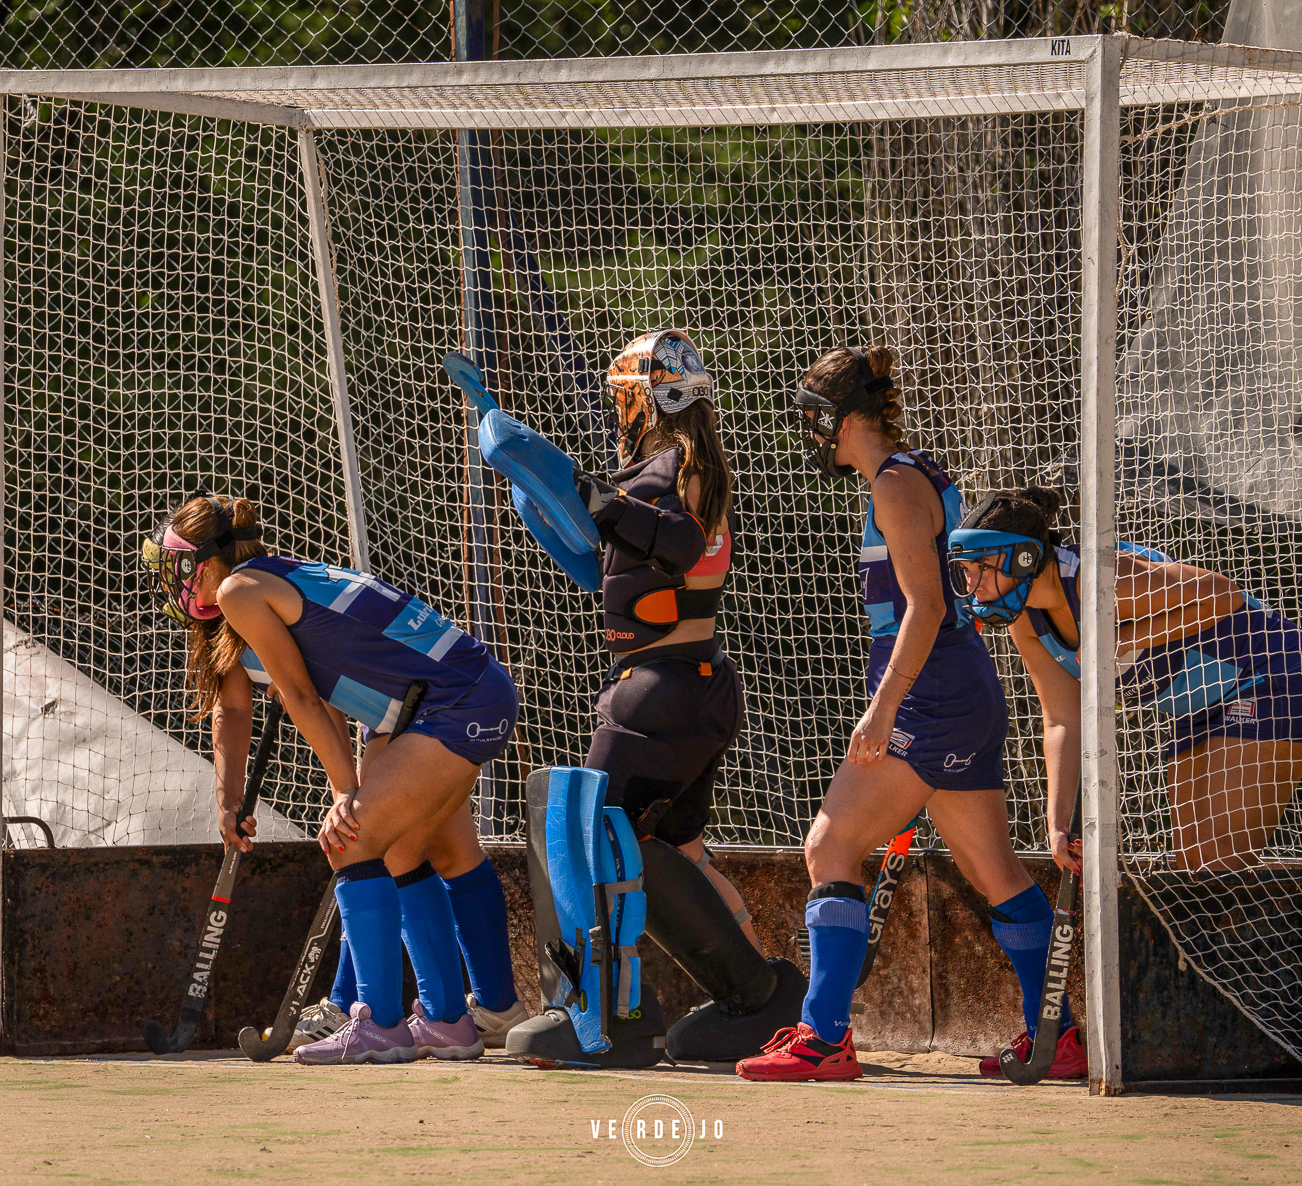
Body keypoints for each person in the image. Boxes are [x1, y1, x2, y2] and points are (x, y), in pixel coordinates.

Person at [737, 346, 1081, 1084]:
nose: (810, 437)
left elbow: (925, 608)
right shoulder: (919, 470)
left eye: (813, 422)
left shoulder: (893, 486)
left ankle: (823, 1038)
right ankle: (1059, 1035)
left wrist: (881, 710)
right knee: (996, 872)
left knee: (829, 849)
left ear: (838, 420)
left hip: (930, 694)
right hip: (961, 689)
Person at [140, 494, 525, 1065]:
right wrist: (229, 800)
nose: (173, 583)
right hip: (428, 704)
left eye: (178, 566)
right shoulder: (247, 599)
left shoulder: (239, 591)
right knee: (401, 851)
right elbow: (239, 709)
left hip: (451, 699)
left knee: (350, 839)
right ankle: (449, 1022)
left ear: (210, 559)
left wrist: (347, 793)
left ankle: (379, 1024)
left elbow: (302, 696)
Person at [506, 329, 804, 1067]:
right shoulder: (679, 466)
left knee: (583, 834)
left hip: (660, 695)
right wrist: (545, 504)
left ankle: (598, 1021)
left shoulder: (682, 466)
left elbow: (670, 541)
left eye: (623, 397)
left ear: (648, 396)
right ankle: (761, 1000)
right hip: (689, 687)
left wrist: (582, 490)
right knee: (674, 851)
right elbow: (627, 573)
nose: (618, 411)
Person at [945, 486, 1302, 875]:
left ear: (1024, 558)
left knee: (1220, 857)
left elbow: (1223, 594)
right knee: (1192, 866)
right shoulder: (1025, 620)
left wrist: (1122, 640)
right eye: (967, 572)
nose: (974, 586)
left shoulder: (1096, 577)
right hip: (1196, 703)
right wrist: (1056, 824)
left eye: (982, 568)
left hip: (1268, 673)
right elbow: (1061, 720)